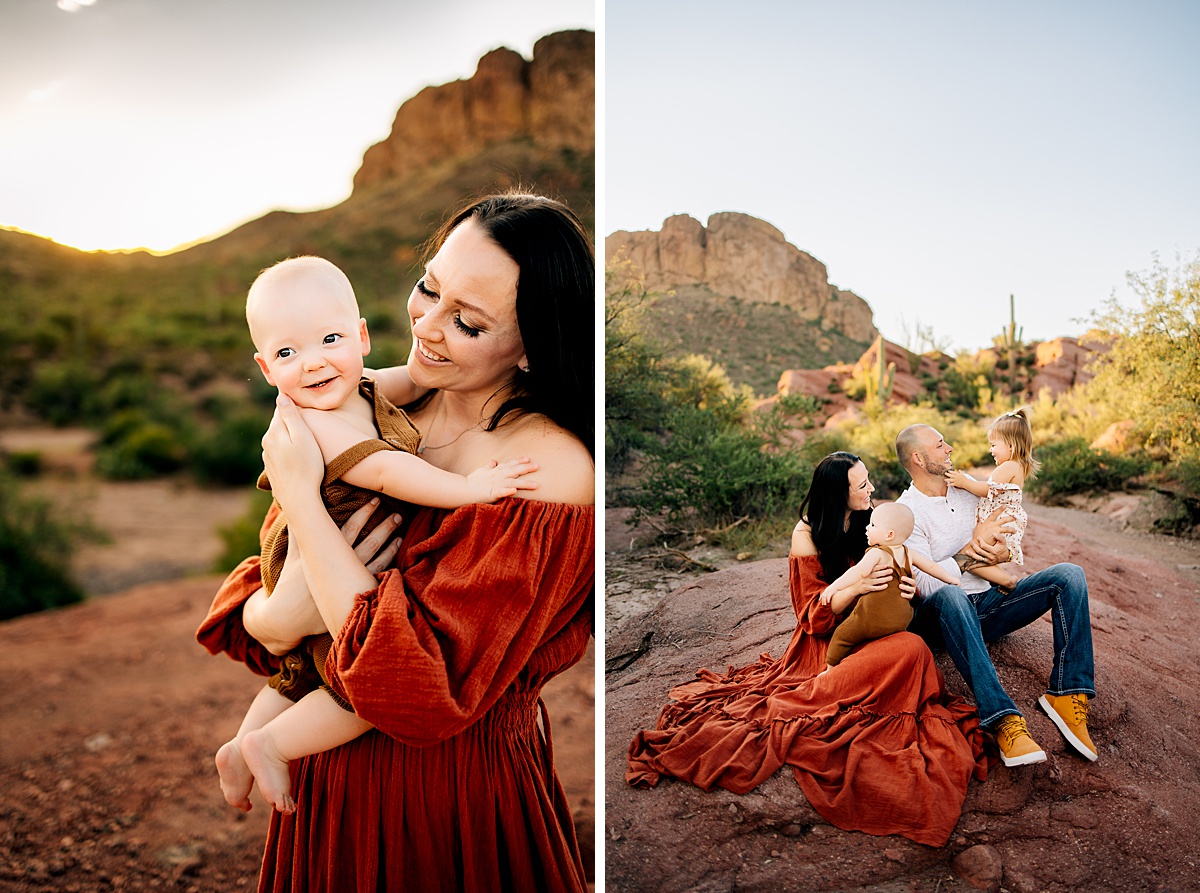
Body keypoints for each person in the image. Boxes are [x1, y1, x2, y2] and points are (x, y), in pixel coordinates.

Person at [197, 193, 595, 892]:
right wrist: (274, 615)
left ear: (532, 342)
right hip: (322, 780)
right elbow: (273, 589)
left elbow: (415, 688)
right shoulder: (382, 398)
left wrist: (301, 505)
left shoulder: (547, 472)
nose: (428, 327)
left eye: (467, 322)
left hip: (445, 796)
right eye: (428, 288)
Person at [215, 255, 539, 816]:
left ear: (362, 337)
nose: (314, 363)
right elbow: (390, 471)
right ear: (267, 369)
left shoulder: (357, 387)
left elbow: (413, 378)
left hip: (322, 551)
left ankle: (235, 751)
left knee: (301, 673)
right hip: (315, 552)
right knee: (364, 682)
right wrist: (470, 487)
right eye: (288, 353)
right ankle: (269, 745)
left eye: (331, 339)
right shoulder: (316, 422)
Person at [627, 452, 987, 848]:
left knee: (912, 648)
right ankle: (818, 691)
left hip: (873, 627)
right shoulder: (807, 534)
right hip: (827, 640)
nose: (871, 490)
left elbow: (906, 573)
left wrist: (908, 589)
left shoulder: (876, 522)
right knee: (909, 650)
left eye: (868, 481)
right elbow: (809, 615)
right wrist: (855, 588)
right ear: (837, 494)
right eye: (861, 486)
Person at [894, 423, 1098, 768]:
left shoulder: (967, 488)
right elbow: (926, 586)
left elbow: (1004, 538)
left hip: (987, 606)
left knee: (1069, 576)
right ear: (918, 457)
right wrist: (972, 549)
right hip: (942, 616)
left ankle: (1067, 693)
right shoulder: (908, 512)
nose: (950, 449)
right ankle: (1003, 719)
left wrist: (1001, 554)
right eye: (940, 444)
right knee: (951, 595)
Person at [819, 501, 959, 670]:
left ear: (889, 535)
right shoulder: (908, 553)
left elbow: (857, 572)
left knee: (842, 635)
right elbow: (931, 567)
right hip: (901, 620)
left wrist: (834, 587)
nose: (867, 528)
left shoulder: (878, 553)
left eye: (872, 524)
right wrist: (951, 579)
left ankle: (829, 669)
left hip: (873, 618)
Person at [944, 406, 1039, 592]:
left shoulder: (1009, 466)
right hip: (1003, 520)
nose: (990, 450)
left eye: (994, 445)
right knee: (984, 556)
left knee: (970, 558)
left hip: (999, 521)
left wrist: (964, 482)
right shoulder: (1016, 466)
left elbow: (988, 490)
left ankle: (1006, 580)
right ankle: (999, 579)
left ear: (1010, 445)